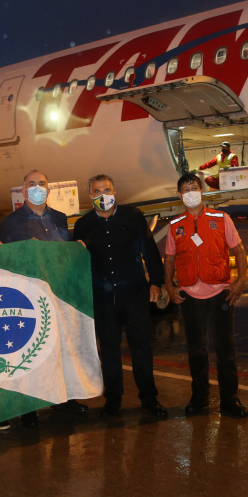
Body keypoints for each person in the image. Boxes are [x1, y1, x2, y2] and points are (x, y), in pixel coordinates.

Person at [0, 170, 88, 426]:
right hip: (30, 295)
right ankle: (29, 407)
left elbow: (65, 252)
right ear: (24, 190)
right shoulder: (12, 222)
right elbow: (5, 259)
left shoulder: (59, 217)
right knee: (31, 350)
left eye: (42, 183)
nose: (37, 188)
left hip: (59, 293)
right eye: (32, 184)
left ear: (49, 189)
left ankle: (64, 398)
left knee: (61, 348)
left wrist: (76, 249)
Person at [72, 174, 168, 418]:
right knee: (109, 351)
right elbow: (76, 264)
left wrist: (156, 283)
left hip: (134, 294)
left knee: (141, 348)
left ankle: (149, 398)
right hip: (103, 299)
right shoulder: (83, 225)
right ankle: (113, 399)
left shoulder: (133, 216)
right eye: (97, 191)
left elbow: (149, 250)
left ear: (114, 192)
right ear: (89, 195)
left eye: (106, 190)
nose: (102, 195)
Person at [163, 173, 248, 418]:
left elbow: (239, 250)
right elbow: (169, 258)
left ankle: (229, 399)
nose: (190, 192)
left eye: (194, 187)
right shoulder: (175, 225)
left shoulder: (221, 219)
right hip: (190, 296)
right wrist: (169, 286)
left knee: (226, 349)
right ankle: (199, 398)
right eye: (185, 189)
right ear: (179, 195)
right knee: (196, 350)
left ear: (201, 191)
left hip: (220, 294)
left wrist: (241, 281)